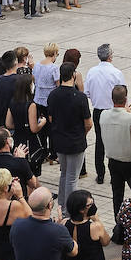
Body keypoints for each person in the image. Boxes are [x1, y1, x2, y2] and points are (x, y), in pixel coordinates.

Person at [48, 62, 92, 215]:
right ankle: (69, 210)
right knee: (72, 178)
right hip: (75, 142)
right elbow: (88, 123)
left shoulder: (53, 95)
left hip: (59, 141)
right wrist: (81, 134)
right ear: (73, 75)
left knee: (64, 174)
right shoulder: (80, 97)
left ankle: (61, 204)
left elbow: (51, 118)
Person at [11, 187, 78, 260]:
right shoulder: (59, 231)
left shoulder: (17, 224)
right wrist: (61, 228)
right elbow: (73, 251)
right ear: (50, 205)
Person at [84, 43, 125, 185]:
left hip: (98, 110)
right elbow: (122, 94)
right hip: (113, 110)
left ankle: (100, 174)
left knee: (99, 143)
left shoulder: (91, 72)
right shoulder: (116, 73)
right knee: (116, 142)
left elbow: (87, 92)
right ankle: (116, 173)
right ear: (110, 56)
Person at [100, 86, 131, 215]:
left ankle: (118, 220)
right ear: (125, 99)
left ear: (112, 99)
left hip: (113, 161)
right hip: (130, 162)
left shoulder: (103, 114)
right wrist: (127, 113)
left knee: (117, 194)